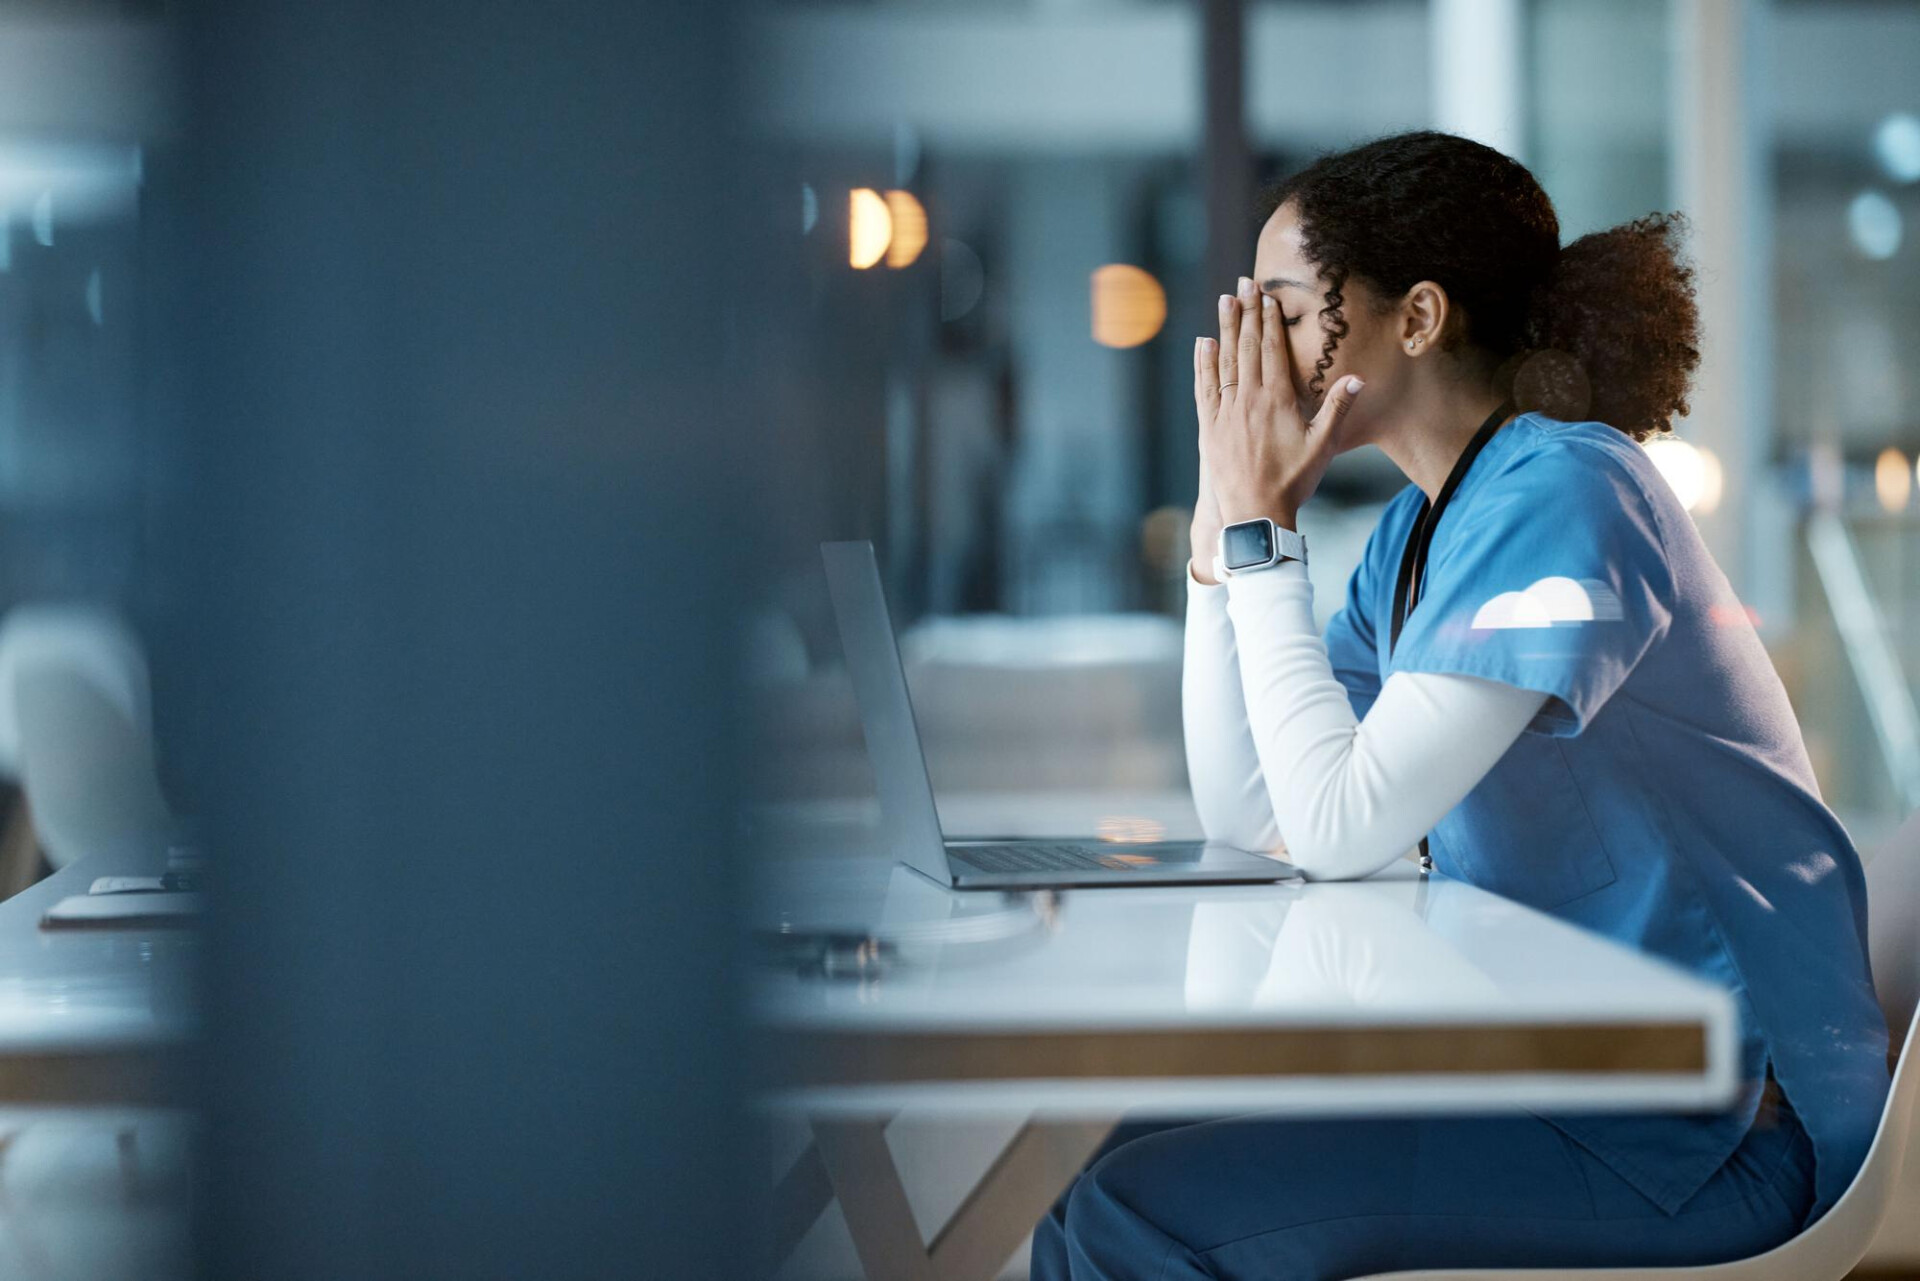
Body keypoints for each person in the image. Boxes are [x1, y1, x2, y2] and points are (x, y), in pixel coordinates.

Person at [1030, 130, 1890, 1281]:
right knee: (1112, 1162)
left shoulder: (1571, 494)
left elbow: (1338, 830)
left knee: (1140, 1211)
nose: (1255, 355)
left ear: (1418, 318)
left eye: (1284, 311)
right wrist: (1214, 539)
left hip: (1710, 1131)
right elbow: (1254, 815)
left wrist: (1263, 532)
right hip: (1557, 1083)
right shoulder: (1414, 535)